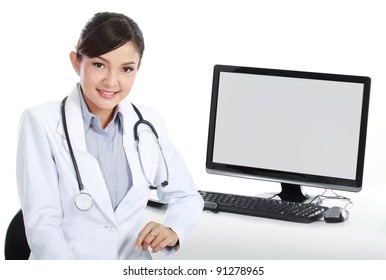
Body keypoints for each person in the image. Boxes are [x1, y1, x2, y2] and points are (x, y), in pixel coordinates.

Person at [16, 12, 204, 260]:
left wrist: (173, 228)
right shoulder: (41, 122)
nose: (112, 81)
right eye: (99, 65)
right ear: (76, 62)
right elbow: (43, 228)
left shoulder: (149, 124)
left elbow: (186, 196)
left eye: (126, 69)